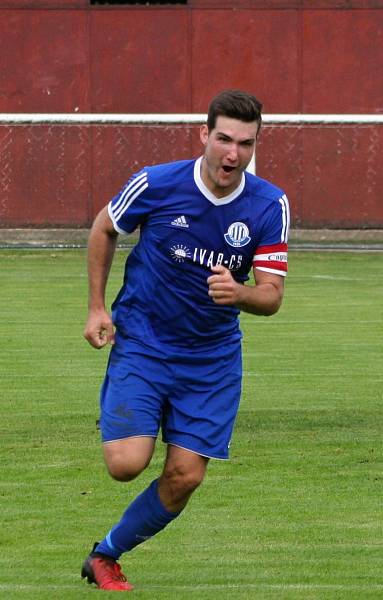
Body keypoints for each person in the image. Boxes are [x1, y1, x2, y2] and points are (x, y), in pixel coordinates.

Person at [80, 89, 290, 591]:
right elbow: (104, 228)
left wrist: (238, 292)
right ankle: (127, 405)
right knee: (126, 465)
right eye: (223, 139)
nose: (232, 153)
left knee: (186, 478)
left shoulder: (270, 204)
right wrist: (96, 305)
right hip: (145, 342)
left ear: (256, 145)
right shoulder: (156, 182)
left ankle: (105, 554)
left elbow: (272, 297)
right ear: (204, 134)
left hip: (211, 360)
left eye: (244, 143)